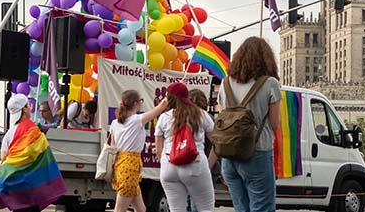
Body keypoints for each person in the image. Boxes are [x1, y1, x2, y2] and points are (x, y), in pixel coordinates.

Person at [217, 37, 282, 212]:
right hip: (257, 152)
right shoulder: (270, 84)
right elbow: (275, 123)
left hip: (228, 156)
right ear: (266, 59)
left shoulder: (225, 83)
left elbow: (222, 114)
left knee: (241, 208)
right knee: (262, 207)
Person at [0, 94, 67, 212]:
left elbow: (5, 159)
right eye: (28, 105)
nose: (30, 108)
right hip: (31, 187)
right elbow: (43, 156)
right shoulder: (33, 130)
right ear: (24, 109)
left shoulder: (9, 133)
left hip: (15, 187)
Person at [155, 82, 216, 212]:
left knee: (176, 209)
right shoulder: (200, 114)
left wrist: (165, 162)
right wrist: (209, 164)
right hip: (195, 165)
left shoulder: (164, 117)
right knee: (206, 208)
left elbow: (158, 148)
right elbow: (217, 142)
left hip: (169, 166)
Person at [110, 89, 168, 212]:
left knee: (141, 208)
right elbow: (162, 106)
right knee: (120, 209)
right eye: (141, 101)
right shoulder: (137, 120)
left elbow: (113, 146)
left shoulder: (115, 123)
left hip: (120, 163)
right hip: (131, 165)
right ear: (135, 104)